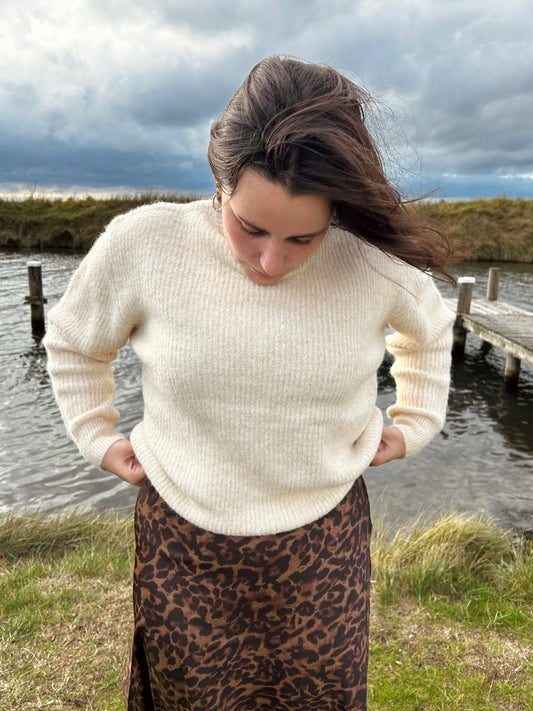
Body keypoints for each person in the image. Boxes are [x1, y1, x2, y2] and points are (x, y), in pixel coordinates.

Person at [44, 55, 455, 711]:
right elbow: (73, 340)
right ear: (221, 181)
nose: (270, 260)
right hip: (183, 544)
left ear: (336, 211)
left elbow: (429, 330)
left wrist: (415, 423)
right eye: (251, 228)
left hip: (323, 544)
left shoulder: (372, 263)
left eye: (303, 238)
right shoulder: (145, 243)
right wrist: (97, 435)